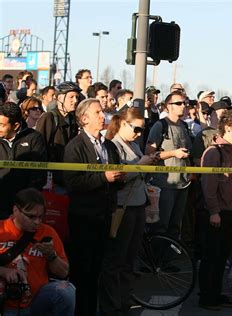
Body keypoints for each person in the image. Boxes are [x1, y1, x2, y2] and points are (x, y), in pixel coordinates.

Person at [63, 98, 125, 316]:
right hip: (84, 218)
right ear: (84, 118)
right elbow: (72, 182)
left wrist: (119, 177)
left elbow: (115, 178)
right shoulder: (75, 146)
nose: (103, 116)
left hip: (105, 215)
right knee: (83, 271)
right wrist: (104, 178)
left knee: (98, 270)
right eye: (97, 112)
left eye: (102, 112)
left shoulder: (108, 145)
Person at [99, 108, 158, 315]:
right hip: (122, 208)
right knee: (116, 259)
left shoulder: (133, 144)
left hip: (137, 205)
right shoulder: (112, 145)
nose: (139, 134)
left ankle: (124, 301)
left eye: (142, 130)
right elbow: (119, 177)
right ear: (123, 124)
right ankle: (112, 305)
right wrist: (140, 165)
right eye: (136, 129)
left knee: (129, 260)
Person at [0, 188, 75, 316]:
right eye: (31, 216)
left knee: (67, 291)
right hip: (4, 301)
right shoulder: (2, 229)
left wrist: (52, 256)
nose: (37, 222)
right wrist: (4, 271)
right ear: (16, 210)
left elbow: (63, 273)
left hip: (36, 300)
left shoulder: (47, 233)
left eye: (41, 217)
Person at [198, 109, 232, 311]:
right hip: (216, 213)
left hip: (230, 211)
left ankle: (216, 293)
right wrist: (214, 211)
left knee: (222, 256)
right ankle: (206, 297)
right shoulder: (213, 152)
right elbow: (208, 186)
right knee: (211, 255)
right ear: (227, 128)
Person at [145, 91, 192, 239]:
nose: (182, 106)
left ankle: (169, 258)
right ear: (168, 106)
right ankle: (156, 258)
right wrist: (173, 153)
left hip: (183, 183)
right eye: (178, 103)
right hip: (165, 184)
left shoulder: (184, 126)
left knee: (175, 226)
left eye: (184, 103)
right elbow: (149, 154)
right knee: (161, 226)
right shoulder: (160, 125)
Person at [0, 102, 47, 218]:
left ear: (15, 126)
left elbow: (38, 175)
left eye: (1, 125)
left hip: (24, 209)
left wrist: (25, 206)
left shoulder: (34, 139)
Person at [36, 81, 81, 186]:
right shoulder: (49, 117)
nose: (75, 100)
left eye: (77, 97)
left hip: (69, 176)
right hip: (52, 178)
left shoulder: (73, 119)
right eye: (71, 97)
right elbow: (39, 148)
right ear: (60, 98)